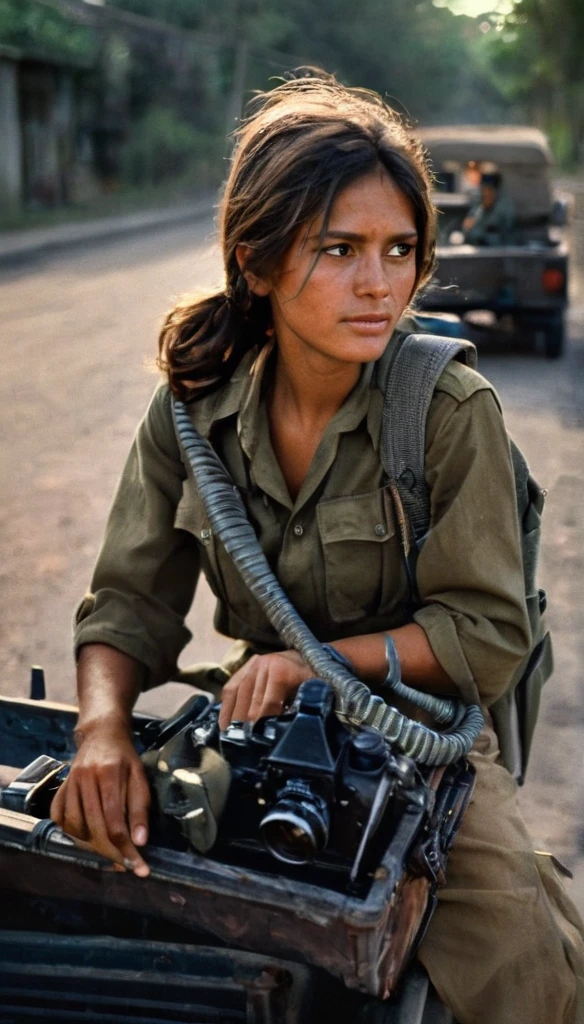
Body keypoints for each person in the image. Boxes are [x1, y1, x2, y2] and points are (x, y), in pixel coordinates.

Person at [50, 72, 584, 1023]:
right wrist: (99, 734)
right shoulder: (190, 414)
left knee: (525, 973)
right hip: (262, 722)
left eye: (398, 250)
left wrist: (318, 665)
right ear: (256, 262)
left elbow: (487, 632)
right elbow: (128, 606)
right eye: (338, 250)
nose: (378, 284)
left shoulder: (445, 409)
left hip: (421, 742)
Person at [462, 170, 516, 245]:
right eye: (484, 190)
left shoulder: (503, 210)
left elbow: (507, 232)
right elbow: (468, 229)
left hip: (499, 249)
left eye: (490, 190)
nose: (487, 194)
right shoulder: (478, 209)